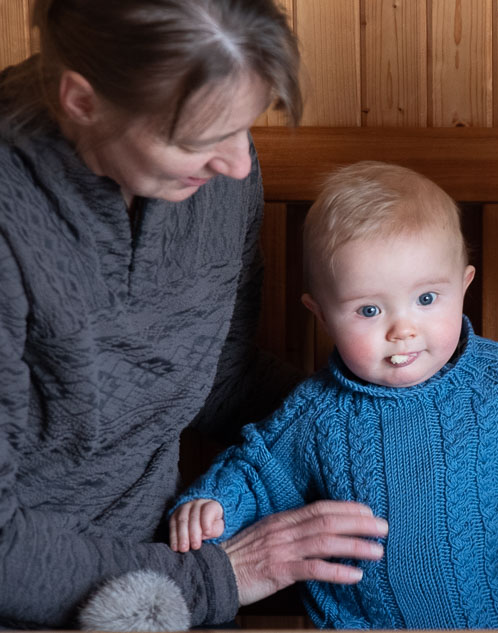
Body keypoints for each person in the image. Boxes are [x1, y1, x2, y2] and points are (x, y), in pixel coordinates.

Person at [0, 1, 389, 628]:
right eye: (201, 139)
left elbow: (221, 377)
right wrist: (223, 576)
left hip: (167, 573)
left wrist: (409, 424)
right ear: (81, 100)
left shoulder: (218, 183)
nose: (239, 165)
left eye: (246, 127)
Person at [168, 161, 498, 629]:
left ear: (464, 286)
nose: (403, 330)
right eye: (368, 309)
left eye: (426, 299)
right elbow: (257, 471)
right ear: (321, 315)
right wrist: (213, 504)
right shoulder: (316, 412)